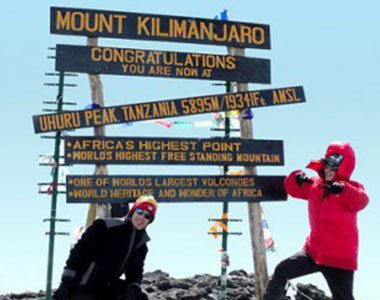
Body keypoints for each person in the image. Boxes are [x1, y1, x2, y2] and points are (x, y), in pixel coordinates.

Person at [264, 142, 369, 300]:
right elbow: (293, 189)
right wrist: (296, 177)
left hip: (339, 258)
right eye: (326, 166)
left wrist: (343, 189)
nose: (328, 170)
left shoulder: (351, 188)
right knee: (282, 271)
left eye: (333, 167)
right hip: (313, 253)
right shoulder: (315, 185)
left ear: (343, 167)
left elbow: (361, 201)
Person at [53, 195, 158, 300]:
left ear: (150, 221)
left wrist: (133, 288)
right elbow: (78, 252)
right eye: (139, 212)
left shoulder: (141, 245)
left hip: (108, 289)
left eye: (147, 216)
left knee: (140, 297)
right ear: (133, 211)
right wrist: (65, 283)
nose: (142, 218)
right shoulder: (105, 226)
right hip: (84, 286)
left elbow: (135, 271)